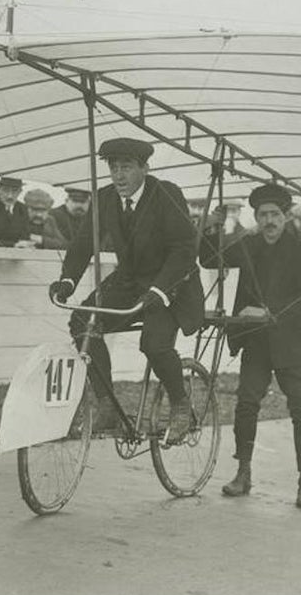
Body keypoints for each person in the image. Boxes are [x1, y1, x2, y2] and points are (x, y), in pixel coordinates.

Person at [49, 138, 204, 444]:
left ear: (145, 168)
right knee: (82, 322)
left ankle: (180, 403)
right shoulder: (105, 197)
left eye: (127, 168)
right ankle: (107, 404)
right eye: (113, 167)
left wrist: (160, 290)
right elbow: (83, 244)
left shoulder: (166, 193)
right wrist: (67, 281)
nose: (119, 176)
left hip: (172, 283)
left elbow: (184, 249)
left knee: (155, 344)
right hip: (130, 281)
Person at [198, 182, 301, 510]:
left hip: (294, 343)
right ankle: (243, 472)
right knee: (246, 403)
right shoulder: (248, 245)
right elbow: (210, 260)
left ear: (286, 217)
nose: (269, 221)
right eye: (263, 214)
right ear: (256, 216)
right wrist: (212, 226)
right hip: (256, 340)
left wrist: (271, 313)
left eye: (275, 215)